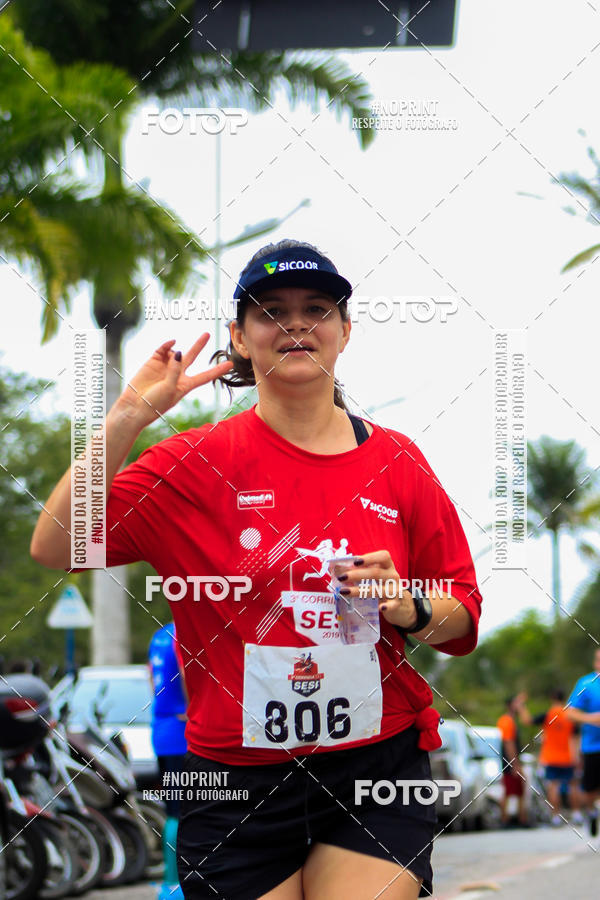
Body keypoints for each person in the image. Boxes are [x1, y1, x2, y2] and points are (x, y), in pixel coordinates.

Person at [30, 239, 483, 900]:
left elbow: (462, 615)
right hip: (231, 781)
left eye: (317, 308)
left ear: (344, 331)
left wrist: (408, 604)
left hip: (373, 768)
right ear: (241, 338)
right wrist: (131, 415)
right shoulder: (192, 463)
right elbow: (56, 543)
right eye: (271, 311)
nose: (296, 323)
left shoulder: (397, 461)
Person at [148, 622, 188, 900]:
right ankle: (177, 885)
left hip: (162, 729)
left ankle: (170, 883)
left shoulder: (159, 635)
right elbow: (187, 673)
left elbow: (150, 676)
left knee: (174, 809)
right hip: (182, 731)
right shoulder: (185, 631)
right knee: (185, 812)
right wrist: (193, 709)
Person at [529, 689, 582, 826]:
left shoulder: (548, 715)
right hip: (568, 757)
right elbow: (575, 738)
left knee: (553, 786)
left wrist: (521, 707)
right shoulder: (570, 715)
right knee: (573, 785)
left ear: (552, 698)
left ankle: (556, 816)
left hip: (551, 757)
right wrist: (577, 758)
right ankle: (576, 814)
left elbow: (527, 720)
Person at [566, 647, 600, 836]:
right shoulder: (586, 683)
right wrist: (591, 718)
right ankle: (592, 810)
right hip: (592, 747)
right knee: (590, 789)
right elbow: (569, 712)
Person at [496, 693, 531, 828]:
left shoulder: (510, 720)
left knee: (518, 790)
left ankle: (520, 818)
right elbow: (508, 743)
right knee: (509, 792)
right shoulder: (507, 721)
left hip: (511, 761)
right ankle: (505, 820)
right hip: (509, 762)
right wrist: (515, 764)